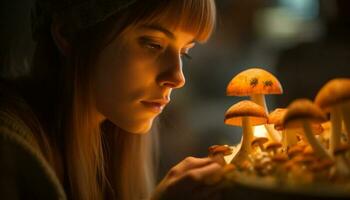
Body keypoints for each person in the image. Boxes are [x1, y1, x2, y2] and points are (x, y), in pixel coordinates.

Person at [0, 0, 223, 200]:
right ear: (68, 34)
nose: (177, 77)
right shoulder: (10, 153)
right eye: (152, 44)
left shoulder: (113, 141)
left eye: (185, 52)